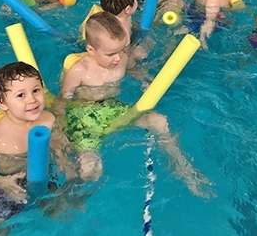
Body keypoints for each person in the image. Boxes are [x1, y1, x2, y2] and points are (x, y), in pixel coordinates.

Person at [56, 11, 212, 198]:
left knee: (159, 121)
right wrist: (60, 131)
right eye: (110, 54)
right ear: (91, 50)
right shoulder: (80, 71)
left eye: (121, 50)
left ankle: (181, 167)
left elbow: (133, 70)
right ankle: (69, 198)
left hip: (113, 108)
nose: (117, 58)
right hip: (85, 118)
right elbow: (62, 102)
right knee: (90, 171)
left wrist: (144, 80)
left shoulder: (121, 59)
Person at [0, 62, 71, 234]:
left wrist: (64, 161)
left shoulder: (48, 120)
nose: (32, 99)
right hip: (7, 187)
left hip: (46, 181)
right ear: (2, 103)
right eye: (21, 95)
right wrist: (1, 181)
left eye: (36, 90)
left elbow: (60, 144)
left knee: (65, 212)